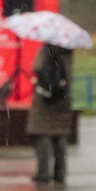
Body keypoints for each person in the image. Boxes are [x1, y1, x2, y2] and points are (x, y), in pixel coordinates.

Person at [28, 42, 73, 183]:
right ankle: (60, 172)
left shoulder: (47, 48)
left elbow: (37, 67)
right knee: (60, 135)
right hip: (64, 98)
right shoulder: (69, 50)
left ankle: (43, 172)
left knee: (42, 134)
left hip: (45, 98)